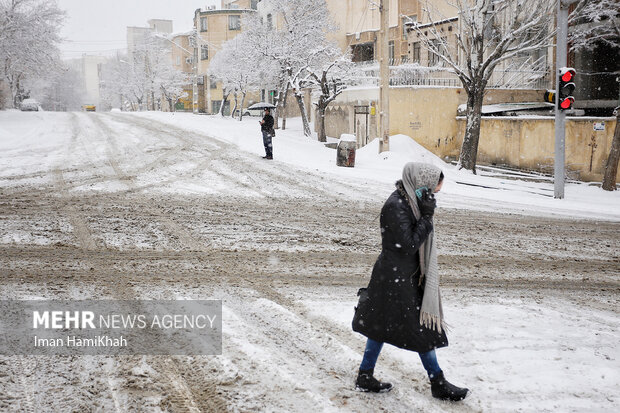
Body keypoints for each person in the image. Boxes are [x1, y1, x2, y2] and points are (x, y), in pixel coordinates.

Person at [352, 162, 468, 401]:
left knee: (380, 325)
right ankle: (437, 382)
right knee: (421, 330)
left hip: (400, 276)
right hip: (396, 279)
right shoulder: (397, 206)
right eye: (433, 190)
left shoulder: (408, 202)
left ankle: (365, 375)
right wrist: (427, 218)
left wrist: (424, 215)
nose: (434, 196)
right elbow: (408, 245)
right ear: (421, 184)